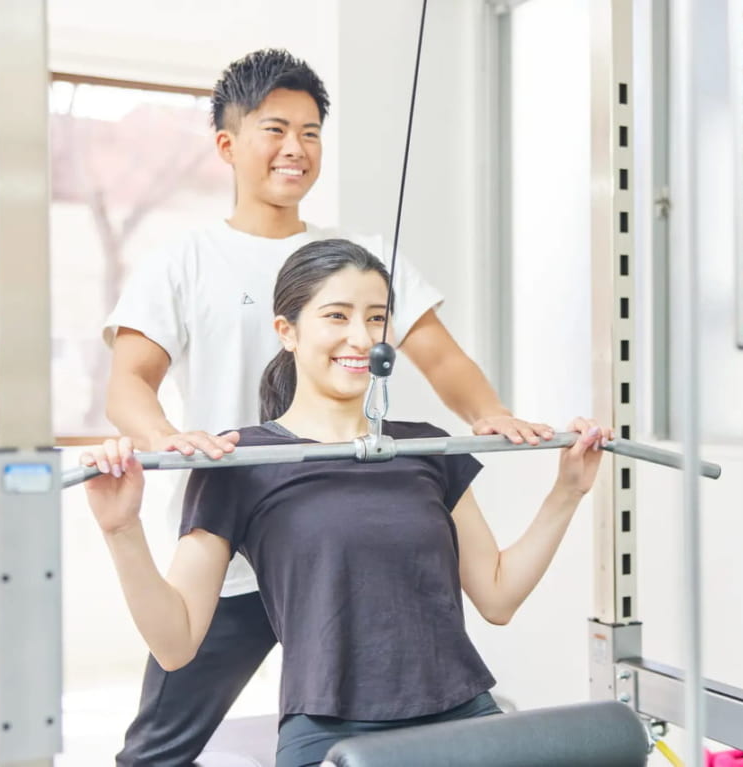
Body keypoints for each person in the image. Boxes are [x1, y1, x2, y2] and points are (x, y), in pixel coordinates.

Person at [102, 49, 552, 766]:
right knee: (158, 749)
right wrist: (167, 436)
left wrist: (490, 412)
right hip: (236, 542)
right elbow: (128, 382)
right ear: (227, 143)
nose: (295, 149)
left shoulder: (356, 254)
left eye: (311, 132)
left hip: (345, 537)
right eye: (275, 129)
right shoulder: (185, 259)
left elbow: (439, 356)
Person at [85, 239, 609, 766]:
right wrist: (120, 530)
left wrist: (567, 492)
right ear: (286, 331)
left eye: (376, 319)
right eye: (336, 316)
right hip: (329, 737)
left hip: (463, 718)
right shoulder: (239, 461)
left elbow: (498, 596)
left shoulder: (425, 448)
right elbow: (176, 645)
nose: (360, 338)